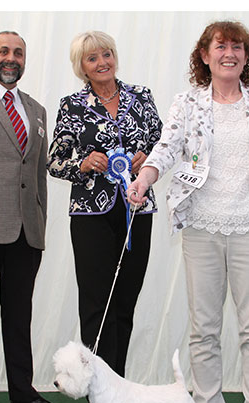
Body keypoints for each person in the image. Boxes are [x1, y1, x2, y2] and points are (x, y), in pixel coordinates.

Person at [127, 20, 249, 403]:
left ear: (246, 56)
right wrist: (145, 178)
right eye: (220, 46)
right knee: (203, 327)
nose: (229, 53)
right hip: (202, 227)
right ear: (205, 55)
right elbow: (167, 147)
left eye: (238, 47)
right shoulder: (188, 102)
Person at [47, 31, 162, 377]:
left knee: (125, 300)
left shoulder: (141, 97)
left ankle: (119, 384)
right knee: (98, 303)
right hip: (90, 215)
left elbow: (167, 144)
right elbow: (54, 161)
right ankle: (97, 385)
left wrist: (149, 157)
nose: (102, 63)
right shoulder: (71, 104)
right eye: (92, 58)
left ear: (115, 57)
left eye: (107, 54)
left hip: (136, 210)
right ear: (81, 66)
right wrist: (82, 164)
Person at [0, 31, 63, 403]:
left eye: (19, 53)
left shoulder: (37, 110)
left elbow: (37, 174)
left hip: (26, 230)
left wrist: (40, 219)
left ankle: (23, 395)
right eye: (5, 51)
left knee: (19, 314)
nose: (11, 58)